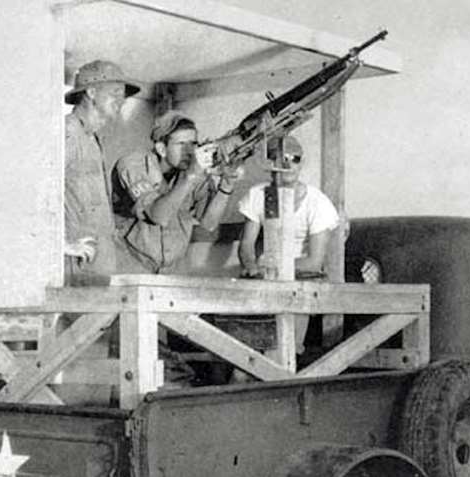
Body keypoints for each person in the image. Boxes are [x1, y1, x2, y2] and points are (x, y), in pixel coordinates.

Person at [235, 135, 340, 359]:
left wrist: (269, 269)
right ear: (270, 163)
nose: (287, 165)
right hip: (264, 280)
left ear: (301, 163)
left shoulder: (318, 203)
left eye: (294, 159)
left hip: (302, 280)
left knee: (280, 354)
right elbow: (246, 245)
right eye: (280, 158)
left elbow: (314, 261)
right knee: (241, 355)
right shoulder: (257, 195)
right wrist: (252, 266)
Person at [112, 110, 243, 274]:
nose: (190, 151)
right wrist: (191, 176)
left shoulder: (192, 170)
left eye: (193, 143)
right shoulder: (134, 164)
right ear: (161, 148)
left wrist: (227, 185)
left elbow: (208, 223)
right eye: (181, 144)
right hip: (129, 264)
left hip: (170, 269)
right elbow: (157, 216)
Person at [63, 59, 140, 285]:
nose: (121, 100)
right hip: (75, 265)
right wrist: (60, 244)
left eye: (123, 95)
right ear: (92, 92)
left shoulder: (92, 139)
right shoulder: (66, 133)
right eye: (115, 92)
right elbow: (31, 193)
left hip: (97, 263)